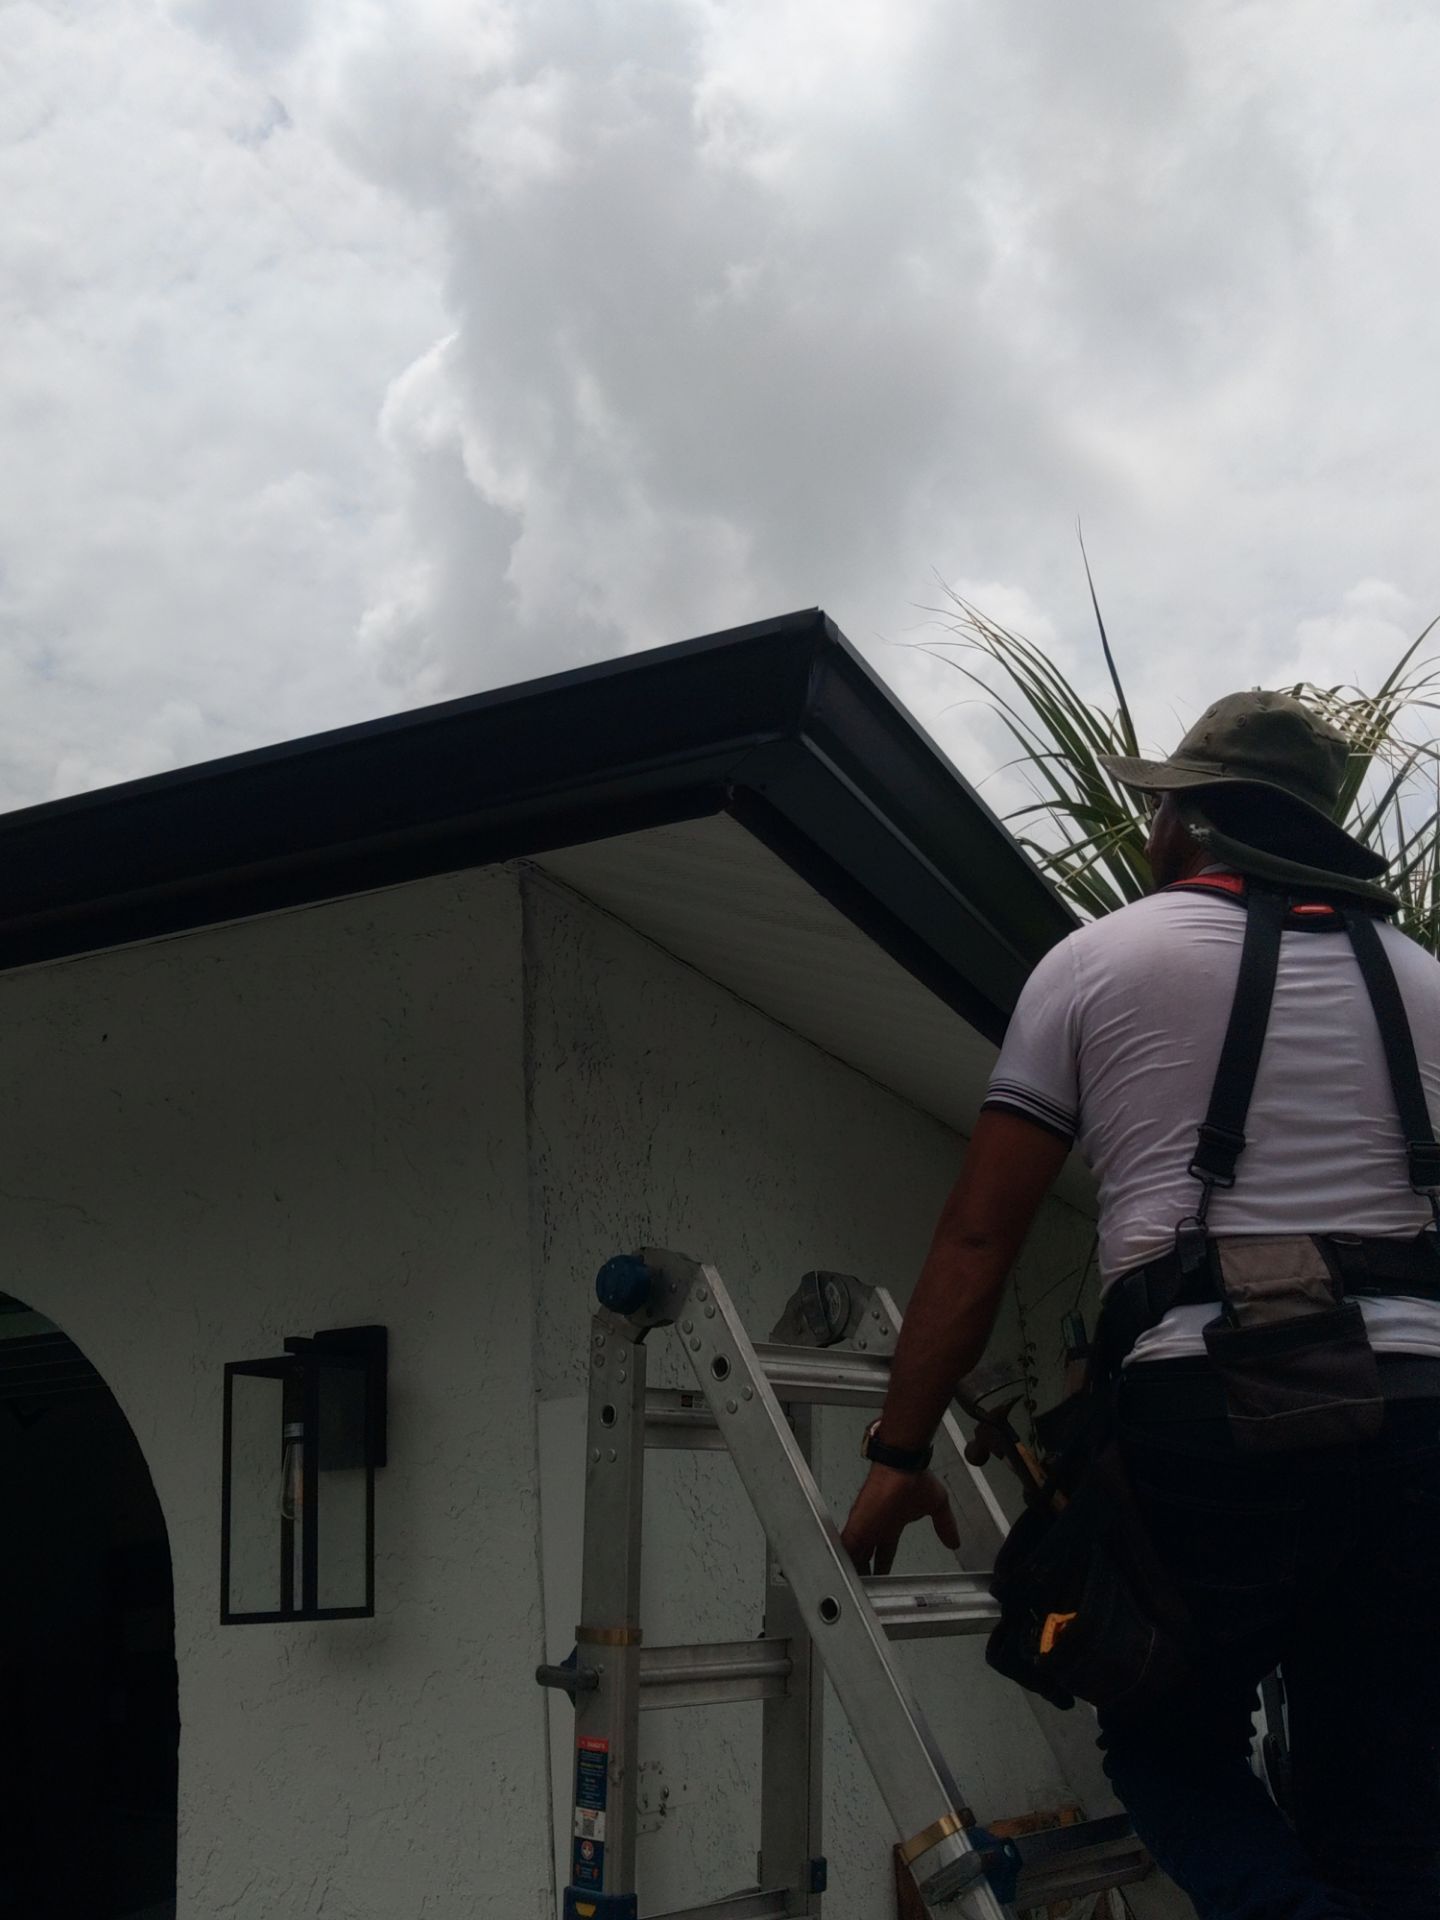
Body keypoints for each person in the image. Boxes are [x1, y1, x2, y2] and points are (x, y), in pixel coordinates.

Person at [840, 689, 1440, 1920]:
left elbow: (980, 1233)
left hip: (1215, 1411)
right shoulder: (1428, 983)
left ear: (1186, 824)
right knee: (1387, 1791)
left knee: (1168, 1738)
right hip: (1425, 1419)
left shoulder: (1100, 961)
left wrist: (899, 1454)